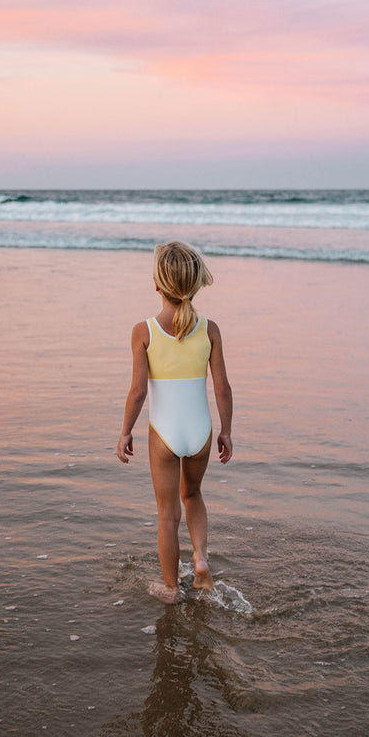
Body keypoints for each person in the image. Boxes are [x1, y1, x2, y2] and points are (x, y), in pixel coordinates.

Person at [117, 241, 233, 604]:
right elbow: (222, 388)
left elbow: (137, 392)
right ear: (196, 284)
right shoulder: (209, 329)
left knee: (168, 515)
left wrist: (125, 432)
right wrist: (226, 431)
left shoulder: (144, 331)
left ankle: (170, 589)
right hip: (200, 432)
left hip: (163, 434)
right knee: (193, 495)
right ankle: (200, 561)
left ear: (157, 284)